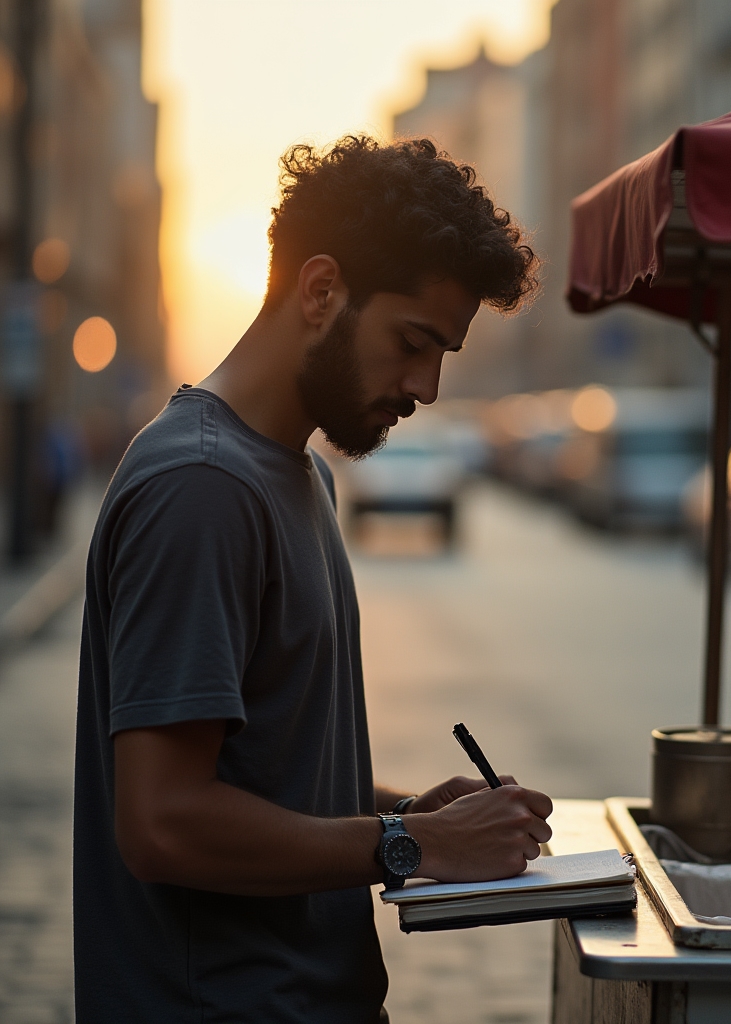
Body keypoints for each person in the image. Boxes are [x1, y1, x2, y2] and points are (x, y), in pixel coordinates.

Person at [73, 136, 549, 1023]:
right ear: (322, 289)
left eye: (443, 352)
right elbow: (164, 820)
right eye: (414, 341)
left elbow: (257, 772)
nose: (429, 386)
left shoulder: (299, 476)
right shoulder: (202, 487)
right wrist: (411, 844)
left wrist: (415, 813)